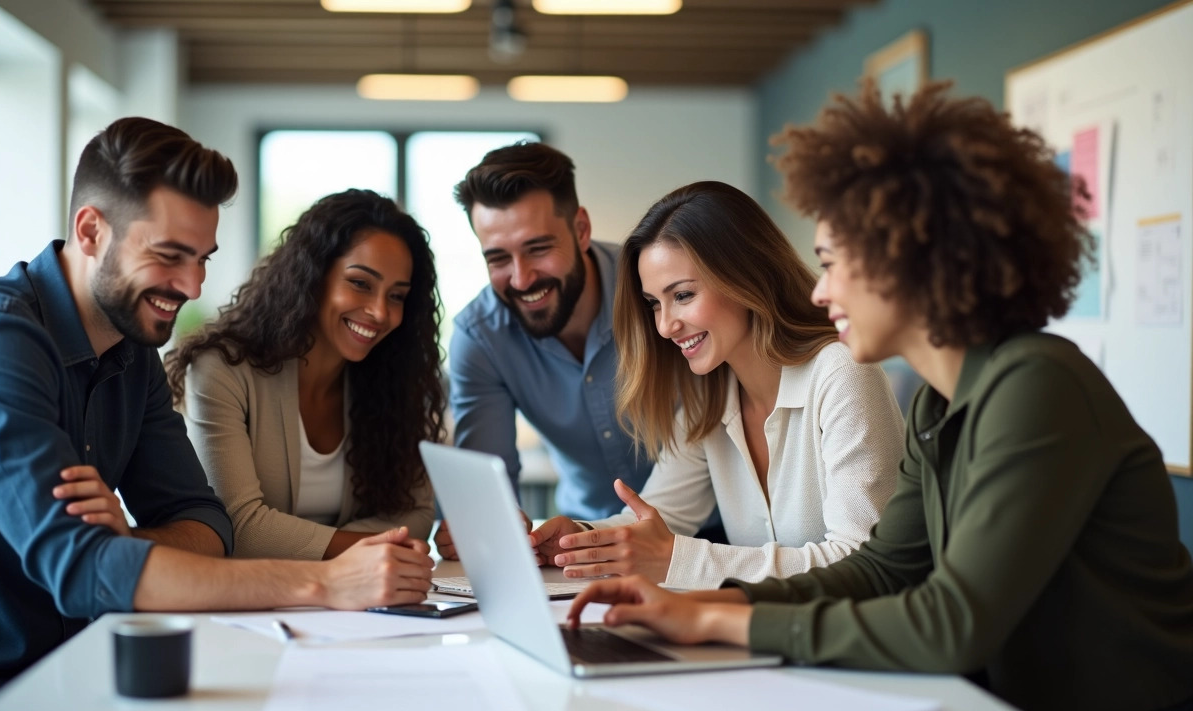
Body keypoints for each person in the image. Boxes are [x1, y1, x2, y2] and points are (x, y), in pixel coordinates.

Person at [565, 83, 1193, 711]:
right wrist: (712, 606)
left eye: (833, 263)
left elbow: (952, 623)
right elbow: (880, 570)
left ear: (910, 256)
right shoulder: (938, 402)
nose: (817, 289)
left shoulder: (1038, 386)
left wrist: (727, 624)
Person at [0, 118, 432, 698]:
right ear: (91, 230)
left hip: (87, 670)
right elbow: (84, 570)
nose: (192, 287)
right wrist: (324, 583)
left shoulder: (131, 348)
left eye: (203, 259)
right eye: (169, 255)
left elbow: (207, 523)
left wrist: (130, 543)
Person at [529, 181, 903, 590]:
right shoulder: (707, 396)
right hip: (764, 638)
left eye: (683, 295)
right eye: (654, 303)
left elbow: (860, 562)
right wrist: (575, 539)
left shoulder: (841, 373)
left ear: (746, 276)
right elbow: (660, 517)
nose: (665, 325)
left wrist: (677, 558)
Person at [166, 190, 443, 560]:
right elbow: (237, 527)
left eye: (397, 296)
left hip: (358, 604)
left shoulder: (393, 382)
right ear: (313, 275)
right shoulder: (222, 370)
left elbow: (417, 512)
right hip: (246, 605)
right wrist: (368, 551)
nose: (379, 311)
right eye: (360, 283)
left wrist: (330, 553)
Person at [439, 141, 659, 556]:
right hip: (583, 540)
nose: (521, 279)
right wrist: (488, 522)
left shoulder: (653, 292)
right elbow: (488, 487)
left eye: (538, 249)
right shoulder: (481, 337)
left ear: (580, 230)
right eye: (498, 258)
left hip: (710, 533)